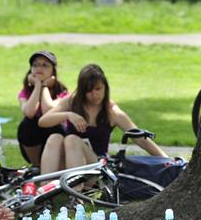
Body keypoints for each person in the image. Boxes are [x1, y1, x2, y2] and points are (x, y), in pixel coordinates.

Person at [38, 63, 167, 174]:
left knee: (72, 140)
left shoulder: (111, 112)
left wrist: (166, 159)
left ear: (105, 87)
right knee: (55, 138)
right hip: (68, 164)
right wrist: (68, 115)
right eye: (89, 91)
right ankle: (45, 189)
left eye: (98, 89)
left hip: (96, 167)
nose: (95, 94)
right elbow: (43, 121)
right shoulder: (72, 102)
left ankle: (77, 191)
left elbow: (139, 138)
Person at [17, 50, 69, 165]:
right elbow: (29, 112)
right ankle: (36, 165)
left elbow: (48, 111)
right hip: (35, 143)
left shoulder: (63, 93)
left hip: (56, 140)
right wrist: (37, 85)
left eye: (45, 65)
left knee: (52, 123)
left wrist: (44, 86)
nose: (39, 68)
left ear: (53, 71)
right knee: (27, 124)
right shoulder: (25, 92)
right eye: (35, 65)